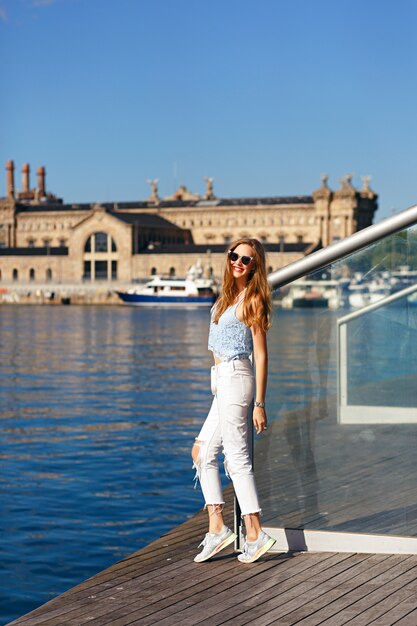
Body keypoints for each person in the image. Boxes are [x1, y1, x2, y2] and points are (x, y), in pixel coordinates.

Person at [191, 238, 276, 563]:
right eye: (234, 255)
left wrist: (260, 403)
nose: (239, 261)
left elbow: (262, 353)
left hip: (238, 378)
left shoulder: (252, 299)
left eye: (247, 259)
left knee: (236, 458)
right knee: (201, 453)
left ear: (255, 266)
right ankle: (218, 529)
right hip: (221, 382)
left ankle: (255, 533)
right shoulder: (226, 297)